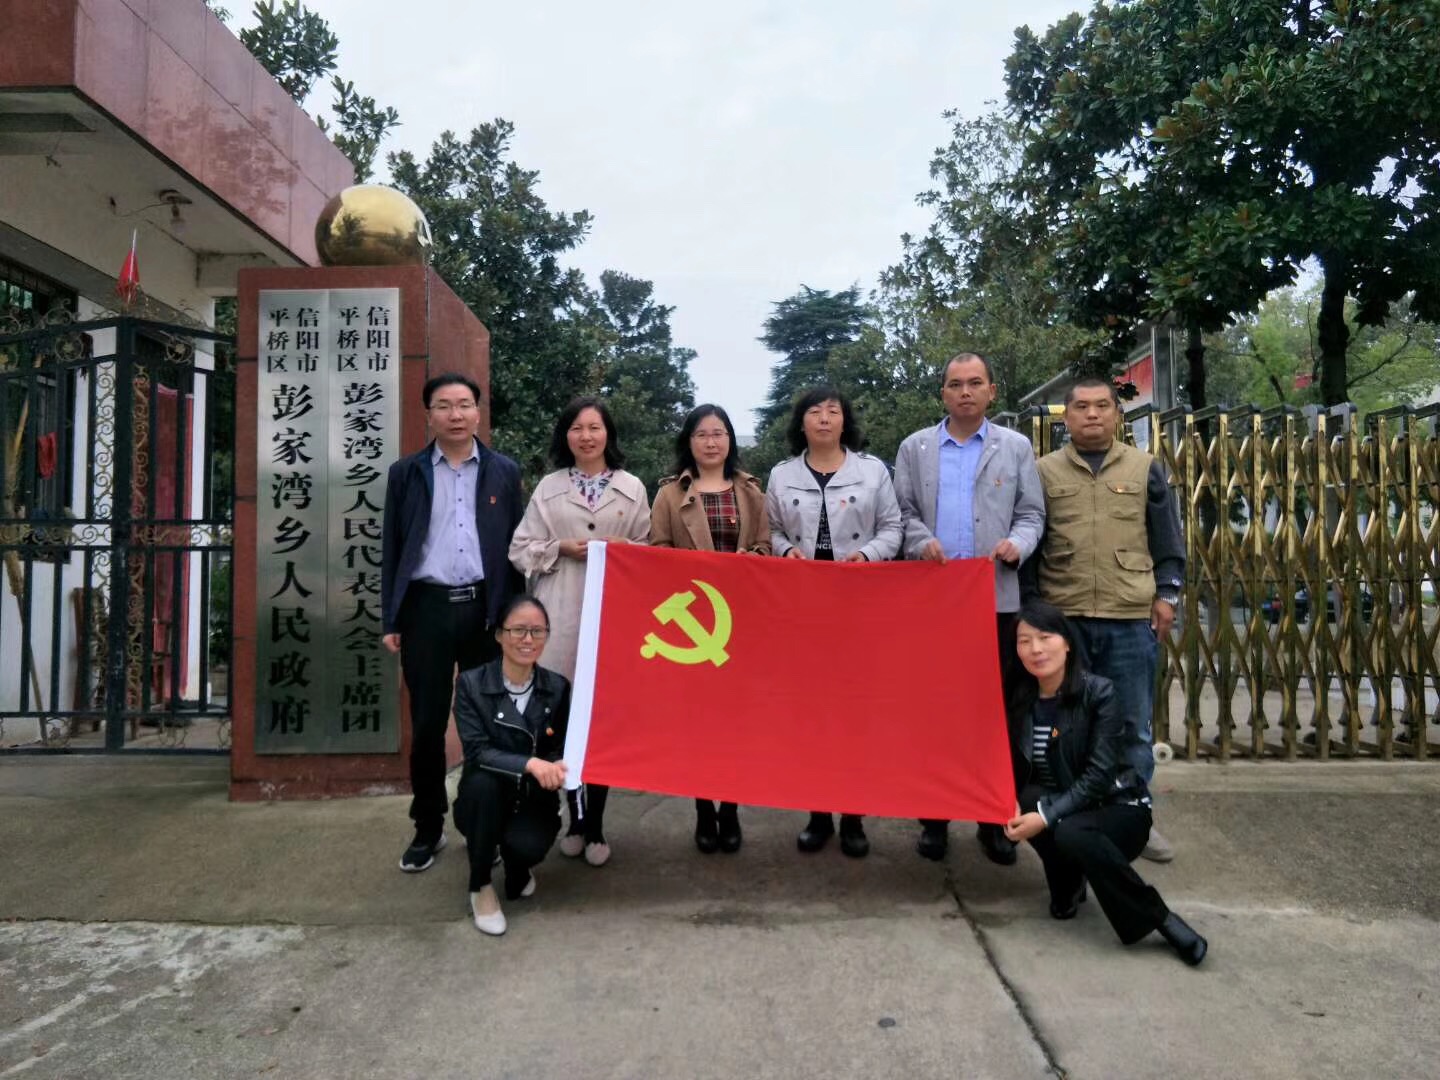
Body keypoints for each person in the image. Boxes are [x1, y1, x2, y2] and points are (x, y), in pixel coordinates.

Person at [1023, 376, 1185, 863]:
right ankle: (1071, 812)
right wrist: (1033, 610)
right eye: (1081, 407)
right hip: (1065, 618)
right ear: (1066, 417)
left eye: (1101, 406)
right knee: (1067, 724)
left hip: (1128, 616)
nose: (1091, 414)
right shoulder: (1043, 472)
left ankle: (1136, 816)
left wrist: (1168, 595)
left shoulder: (1144, 468)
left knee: (1132, 724)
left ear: (1117, 413)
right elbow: (1033, 542)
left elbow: (1167, 539)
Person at [894, 352, 1046, 866]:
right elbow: (903, 513)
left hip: (995, 600)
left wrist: (1017, 544)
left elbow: (1032, 513)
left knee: (995, 714)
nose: (965, 392)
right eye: (955, 384)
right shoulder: (915, 448)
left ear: (991, 391)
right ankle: (934, 818)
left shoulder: (1015, 446)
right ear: (943, 393)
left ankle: (992, 818)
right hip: (934, 605)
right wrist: (921, 541)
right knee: (935, 712)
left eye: (975, 383)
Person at [1002, 600, 1206, 965]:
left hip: (1118, 808)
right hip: (1066, 807)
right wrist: (1009, 800)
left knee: (1069, 830)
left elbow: (1098, 776)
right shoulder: (1020, 698)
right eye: (1024, 640)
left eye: (1045, 637)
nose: (1035, 649)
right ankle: (1068, 881)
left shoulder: (1099, 693)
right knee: (1029, 799)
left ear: (1067, 643)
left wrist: (1045, 817)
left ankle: (1159, 917)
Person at [381, 372, 523, 874]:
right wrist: (392, 616)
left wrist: (514, 618)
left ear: (478, 413)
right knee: (427, 725)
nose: (455, 414)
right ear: (429, 415)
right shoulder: (406, 473)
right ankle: (428, 826)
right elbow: (393, 547)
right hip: (426, 609)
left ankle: (485, 821)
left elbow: (516, 550)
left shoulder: (504, 471)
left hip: (486, 610)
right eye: (444, 405)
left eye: (464, 404)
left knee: (490, 723)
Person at [509, 396, 650, 867]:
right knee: (563, 721)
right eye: (577, 428)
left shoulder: (631, 487)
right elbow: (519, 550)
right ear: (565, 436)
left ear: (608, 433)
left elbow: (651, 550)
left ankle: (597, 826)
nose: (586, 436)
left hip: (612, 613)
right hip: (561, 612)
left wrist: (622, 547)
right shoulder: (549, 488)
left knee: (601, 723)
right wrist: (560, 548)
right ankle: (573, 818)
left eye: (594, 427)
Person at [766, 386, 903, 858]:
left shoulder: (872, 471)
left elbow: (893, 528)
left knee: (854, 714)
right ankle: (818, 813)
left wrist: (868, 555)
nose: (824, 418)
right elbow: (772, 530)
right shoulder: (782, 475)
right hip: (805, 609)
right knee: (812, 714)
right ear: (801, 422)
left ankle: (853, 816)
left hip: (859, 606)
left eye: (833, 411)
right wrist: (787, 551)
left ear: (845, 420)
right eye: (814, 411)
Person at [651, 403, 771, 854]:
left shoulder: (751, 491)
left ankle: (730, 807)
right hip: (694, 623)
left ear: (730, 439)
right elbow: (657, 552)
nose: (711, 442)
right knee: (699, 723)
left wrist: (747, 563)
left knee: (737, 722)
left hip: (743, 622)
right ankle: (703, 807)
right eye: (702, 434)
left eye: (719, 433)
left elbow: (766, 546)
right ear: (689, 441)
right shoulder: (668, 495)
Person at [452, 594, 569, 936]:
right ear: (499, 635)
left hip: (531, 799)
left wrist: (556, 766)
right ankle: (480, 885)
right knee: (483, 785)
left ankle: (517, 866)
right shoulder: (471, 684)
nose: (527, 639)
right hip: (481, 800)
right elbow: (477, 751)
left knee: (528, 847)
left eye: (537, 631)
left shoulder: (557, 687)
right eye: (518, 630)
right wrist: (530, 763)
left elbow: (559, 747)